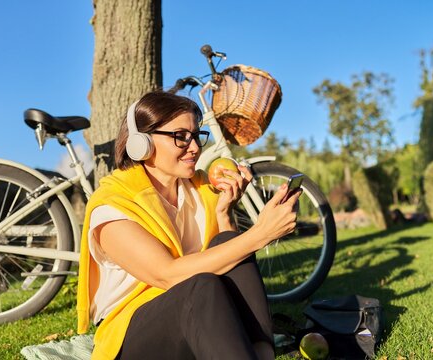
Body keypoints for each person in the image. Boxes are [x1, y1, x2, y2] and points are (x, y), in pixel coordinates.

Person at [77, 91, 301, 360]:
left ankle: (261, 355)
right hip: (130, 338)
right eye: (180, 136)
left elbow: (226, 262)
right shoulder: (112, 206)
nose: (194, 147)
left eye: (196, 135)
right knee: (201, 286)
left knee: (226, 248)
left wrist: (224, 213)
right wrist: (260, 234)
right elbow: (168, 275)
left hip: (194, 315)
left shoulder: (199, 188)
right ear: (141, 143)